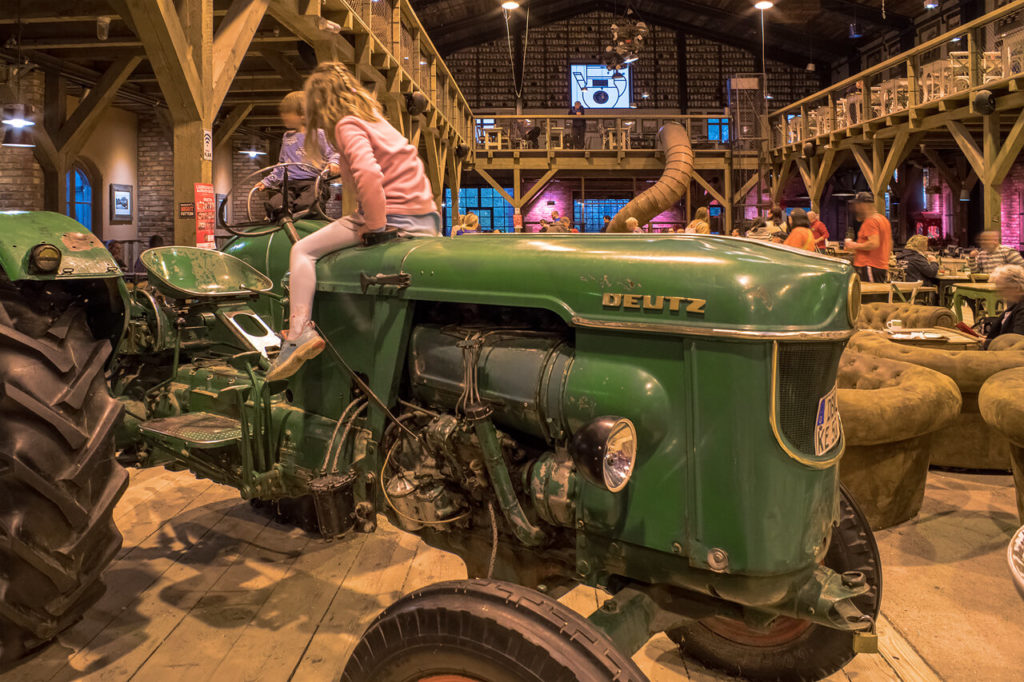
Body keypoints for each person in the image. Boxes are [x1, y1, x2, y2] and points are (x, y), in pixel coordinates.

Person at [266, 62, 440, 382]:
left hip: (395, 216)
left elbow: (369, 173)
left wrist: (373, 225)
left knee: (302, 251)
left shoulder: (347, 125)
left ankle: (299, 332)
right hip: (425, 217)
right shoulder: (377, 121)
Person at [256, 91, 341, 218]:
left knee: (307, 204)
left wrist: (333, 162)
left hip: (313, 182)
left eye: (287, 112)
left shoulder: (319, 135)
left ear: (302, 115)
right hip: (290, 184)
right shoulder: (287, 137)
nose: (283, 116)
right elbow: (282, 165)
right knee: (276, 204)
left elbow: (334, 153)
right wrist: (267, 181)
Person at [845, 192, 892, 283]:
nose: (855, 208)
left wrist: (853, 245)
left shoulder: (871, 221)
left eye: (857, 205)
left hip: (870, 265)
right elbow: (890, 242)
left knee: (871, 296)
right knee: (877, 296)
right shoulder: (883, 219)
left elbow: (873, 244)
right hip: (880, 266)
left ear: (863, 205)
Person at [984, 264, 1024, 348]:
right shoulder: (1017, 303)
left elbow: (1017, 344)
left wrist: (987, 343)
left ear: (1016, 287)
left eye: (1003, 289)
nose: (1000, 294)